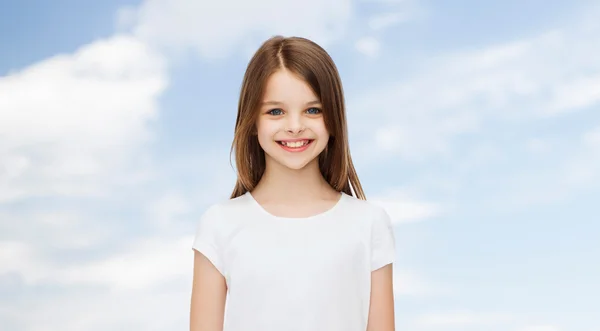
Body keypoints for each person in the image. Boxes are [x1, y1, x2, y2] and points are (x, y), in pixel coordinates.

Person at [190, 35, 396, 331]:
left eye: (313, 110)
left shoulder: (370, 223)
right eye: (276, 111)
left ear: (334, 118)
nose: (295, 125)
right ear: (252, 121)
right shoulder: (219, 225)